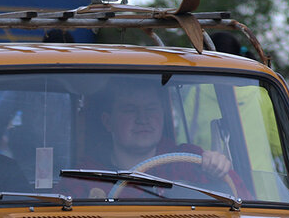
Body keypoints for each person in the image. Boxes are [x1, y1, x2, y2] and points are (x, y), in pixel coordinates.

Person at [73, 81, 237, 198]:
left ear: (162, 115)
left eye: (151, 109)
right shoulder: (85, 177)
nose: (143, 119)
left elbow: (243, 206)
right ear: (108, 122)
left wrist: (217, 171)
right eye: (130, 110)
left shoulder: (192, 163)